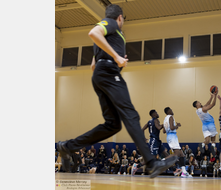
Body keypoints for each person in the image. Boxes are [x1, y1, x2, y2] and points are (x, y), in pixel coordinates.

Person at [56, 4, 177, 178]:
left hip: (102, 75)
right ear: (120, 17)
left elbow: (93, 65)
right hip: (108, 73)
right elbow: (93, 33)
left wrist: (113, 59)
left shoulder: (110, 36)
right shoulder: (111, 24)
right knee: (131, 114)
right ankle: (151, 163)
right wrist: (116, 57)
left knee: (112, 125)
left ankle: (67, 147)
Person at [163, 107, 192, 178]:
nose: (172, 111)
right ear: (169, 111)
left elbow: (164, 131)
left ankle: (184, 172)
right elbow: (172, 127)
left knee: (182, 155)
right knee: (177, 154)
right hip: (172, 136)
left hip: (169, 136)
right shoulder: (171, 117)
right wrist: (177, 126)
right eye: (171, 110)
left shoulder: (165, 119)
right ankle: (161, 161)